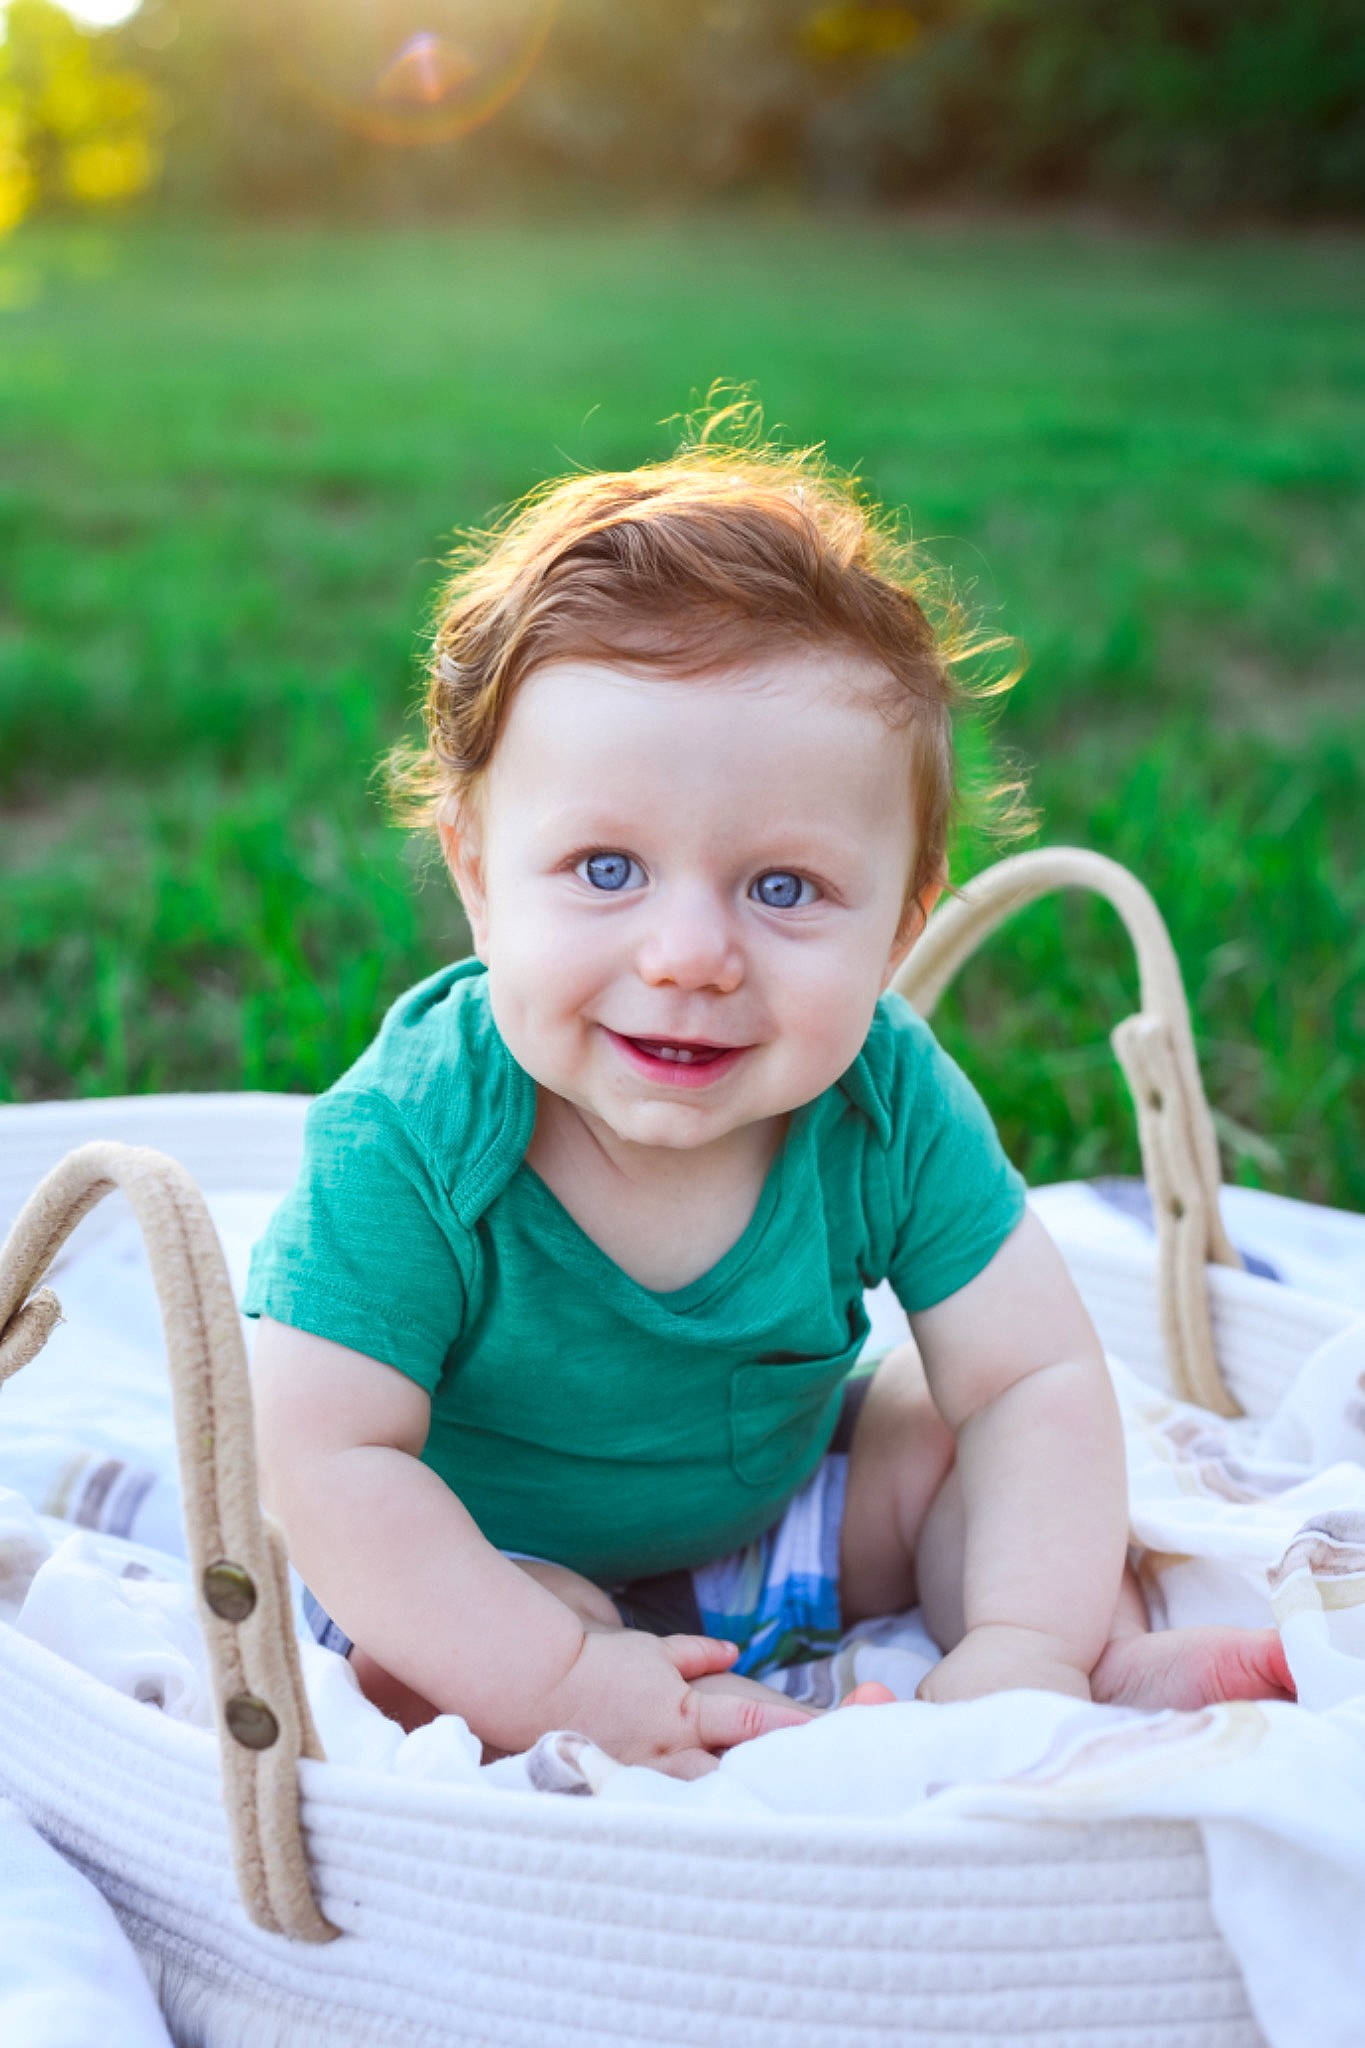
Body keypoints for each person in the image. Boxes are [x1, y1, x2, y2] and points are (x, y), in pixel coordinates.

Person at [243, 423, 1294, 1779]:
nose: (690, 955)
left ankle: (1083, 1663)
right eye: (606, 869)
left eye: (782, 889)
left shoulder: (882, 1095)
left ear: (902, 917)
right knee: (403, 1659)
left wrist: (1020, 1648)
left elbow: (1028, 1373)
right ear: (477, 872)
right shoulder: (410, 1141)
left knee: (958, 1433)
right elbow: (323, 1463)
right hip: (487, 1559)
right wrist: (567, 1672)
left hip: (786, 1530)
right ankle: (583, 1701)